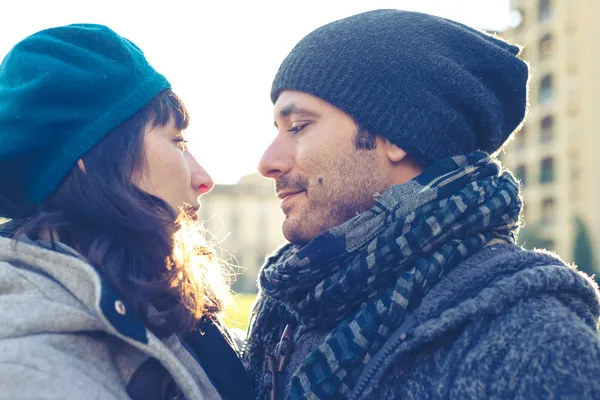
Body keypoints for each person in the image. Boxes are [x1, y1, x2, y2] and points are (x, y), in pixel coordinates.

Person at [243, 9, 600, 400]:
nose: (267, 162)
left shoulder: (531, 343)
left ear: (396, 136)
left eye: (298, 127)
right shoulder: (291, 306)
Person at [0, 24, 254, 400]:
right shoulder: (31, 368)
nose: (204, 179)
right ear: (89, 158)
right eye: (177, 141)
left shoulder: (149, 301)